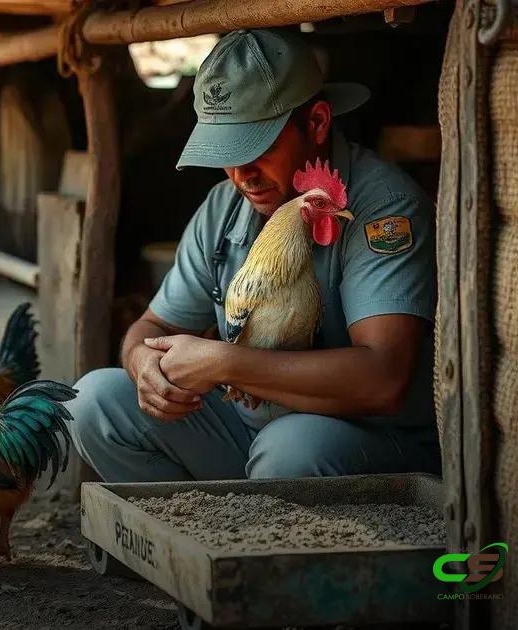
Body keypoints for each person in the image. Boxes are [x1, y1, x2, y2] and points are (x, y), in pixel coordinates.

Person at [65, 28, 440, 482]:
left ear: (318, 123)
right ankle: (198, 542)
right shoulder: (225, 206)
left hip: (358, 438)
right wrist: (142, 364)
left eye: (258, 146)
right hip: (248, 431)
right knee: (94, 401)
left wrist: (224, 363)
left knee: (290, 451)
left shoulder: (383, 209)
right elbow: (154, 326)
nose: (242, 174)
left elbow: (384, 379)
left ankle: (258, 545)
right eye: (226, 151)